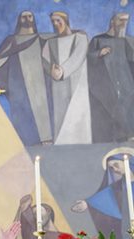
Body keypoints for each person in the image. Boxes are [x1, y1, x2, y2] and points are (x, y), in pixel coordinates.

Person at [0, 11, 52, 146]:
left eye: (30, 16)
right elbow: (2, 56)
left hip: (39, 80)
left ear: (33, 19)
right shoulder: (12, 39)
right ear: (20, 20)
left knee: (42, 109)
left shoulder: (41, 38)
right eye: (24, 17)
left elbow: (57, 42)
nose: (27, 19)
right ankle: (26, 141)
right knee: (21, 110)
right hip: (20, 80)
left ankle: (46, 139)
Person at [42, 11, 91, 144]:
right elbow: (44, 60)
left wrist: (63, 70)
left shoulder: (80, 37)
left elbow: (78, 56)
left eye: (58, 20)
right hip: (57, 85)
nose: (56, 24)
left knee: (78, 111)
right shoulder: (50, 42)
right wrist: (51, 71)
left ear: (66, 20)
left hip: (78, 82)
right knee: (60, 115)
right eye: (53, 22)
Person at [88, 13, 134, 143]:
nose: (123, 23)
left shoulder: (127, 41)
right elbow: (88, 60)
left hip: (126, 86)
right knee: (108, 114)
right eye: (120, 20)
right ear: (112, 21)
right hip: (105, 87)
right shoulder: (98, 39)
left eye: (126, 20)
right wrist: (99, 53)